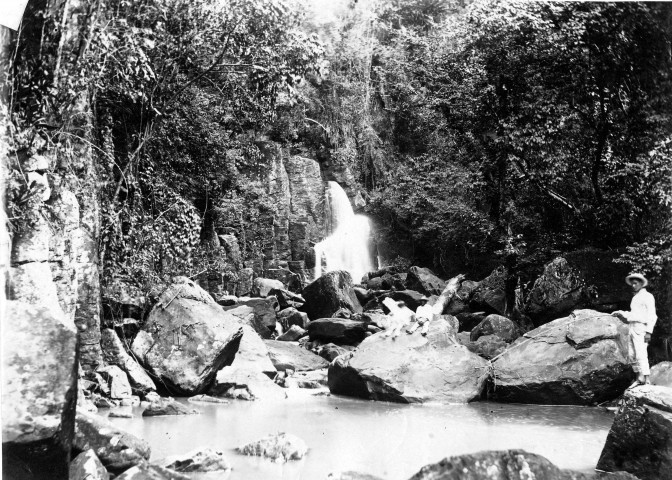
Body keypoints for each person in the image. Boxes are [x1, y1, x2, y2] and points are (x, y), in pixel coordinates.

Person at [612, 273, 658, 386]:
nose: (633, 285)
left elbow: (652, 315)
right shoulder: (635, 298)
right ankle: (639, 378)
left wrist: (649, 332)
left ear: (641, 283)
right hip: (632, 327)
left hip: (642, 328)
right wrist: (620, 313)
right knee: (632, 354)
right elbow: (633, 314)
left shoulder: (648, 296)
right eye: (632, 283)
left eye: (635, 283)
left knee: (641, 354)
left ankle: (647, 379)